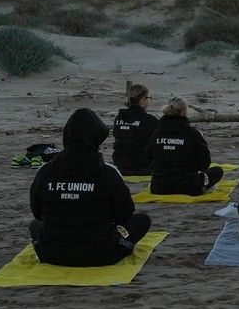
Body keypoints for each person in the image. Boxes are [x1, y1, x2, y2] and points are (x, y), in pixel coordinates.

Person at [30, 108, 150, 266]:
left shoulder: (45, 171)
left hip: (52, 254)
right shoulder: (108, 172)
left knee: (35, 225)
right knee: (142, 220)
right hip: (102, 253)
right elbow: (124, 213)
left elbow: (37, 212)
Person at [148, 98, 223, 196]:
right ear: (183, 112)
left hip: (159, 187)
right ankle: (202, 187)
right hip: (188, 187)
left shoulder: (156, 134)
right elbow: (205, 164)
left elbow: (148, 157)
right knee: (217, 171)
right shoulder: (193, 133)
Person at [110, 84, 159, 175]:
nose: (150, 99)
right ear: (143, 100)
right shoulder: (149, 120)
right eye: (149, 97)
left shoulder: (119, 117)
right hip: (141, 167)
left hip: (119, 163)